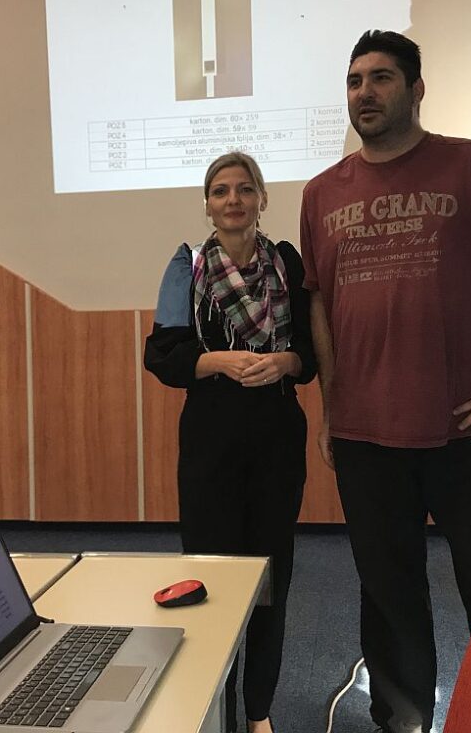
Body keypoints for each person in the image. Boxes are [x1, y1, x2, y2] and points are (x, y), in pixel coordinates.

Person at [300, 30, 471, 733]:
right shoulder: (321, 193)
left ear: (416, 89)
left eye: (381, 78)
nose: (365, 92)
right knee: (388, 600)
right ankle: (403, 722)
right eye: (355, 80)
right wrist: (332, 406)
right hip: (364, 441)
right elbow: (321, 306)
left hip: (465, 433)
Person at [145, 151, 316, 733]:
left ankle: (259, 710)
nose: (233, 200)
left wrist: (286, 362)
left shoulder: (287, 264)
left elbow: (311, 354)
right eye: (221, 191)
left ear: (262, 199)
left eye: (245, 189)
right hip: (210, 445)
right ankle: (215, 705)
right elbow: (161, 357)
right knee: (211, 579)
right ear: (208, 204)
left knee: (271, 577)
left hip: (276, 440)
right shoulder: (187, 267)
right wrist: (217, 361)